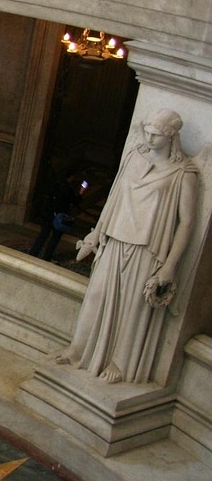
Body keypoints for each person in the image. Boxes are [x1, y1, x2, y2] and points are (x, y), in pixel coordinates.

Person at [54, 109, 199, 384]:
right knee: (96, 296)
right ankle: (78, 349)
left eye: (155, 134)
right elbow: (114, 198)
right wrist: (96, 235)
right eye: (147, 131)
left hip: (147, 249)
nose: (149, 137)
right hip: (116, 239)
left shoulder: (182, 174)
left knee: (132, 308)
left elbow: (188, 223)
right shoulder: (134, 157)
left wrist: (169, 266)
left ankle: (119, 363)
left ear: (171, 136)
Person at [28, 171, 87, 260]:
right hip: (60, 217)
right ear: (70, 177)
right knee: (54, 239)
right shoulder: (68, 189)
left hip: (48, 214)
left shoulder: (54, 185)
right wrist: (81, 192)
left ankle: (34, 253)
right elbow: (75, 201)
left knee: (43, 235)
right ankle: (46, 257)